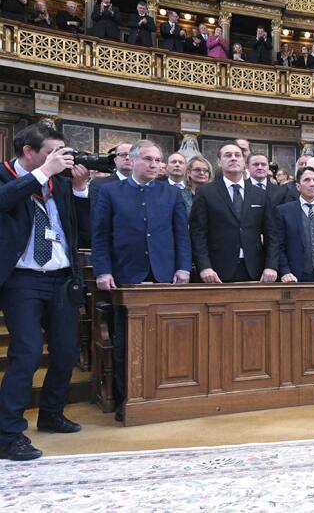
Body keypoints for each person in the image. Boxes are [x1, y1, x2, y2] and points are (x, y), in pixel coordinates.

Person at [0, 122, 91, 461]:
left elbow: (81, 231)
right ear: (28, 152)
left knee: (66, 352)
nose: (59, 159)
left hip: (61, 277)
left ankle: (51, 414)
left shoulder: (59, 183)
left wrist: (79, 189)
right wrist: (42, 174)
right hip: (22, 279)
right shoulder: (7, 175)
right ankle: (8, 433)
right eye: (51, 152)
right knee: (26, 352)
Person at [91, 140, 190, 420]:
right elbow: (100, 236)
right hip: (125, 277)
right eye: (148, 159)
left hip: (163, 276)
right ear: (132, 160)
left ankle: (163, 397)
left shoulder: (170, 193)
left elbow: (181, 233)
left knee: (165, 341)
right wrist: (103, 270)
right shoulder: (110, 192)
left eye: (158, 160)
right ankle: (127, 400)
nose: (154, 165)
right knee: (126, 342)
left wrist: (183, 267)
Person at [189, 143, 278, 283]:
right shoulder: (206, 192)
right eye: (228, 155)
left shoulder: (260, 194)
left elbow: (272, 234)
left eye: (238, 155)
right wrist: (204, 267)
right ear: (219, 162)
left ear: (244, 162)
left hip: (255, 270)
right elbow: (198, 233)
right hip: (216, 271)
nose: (233, 158)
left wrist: (271, 266)